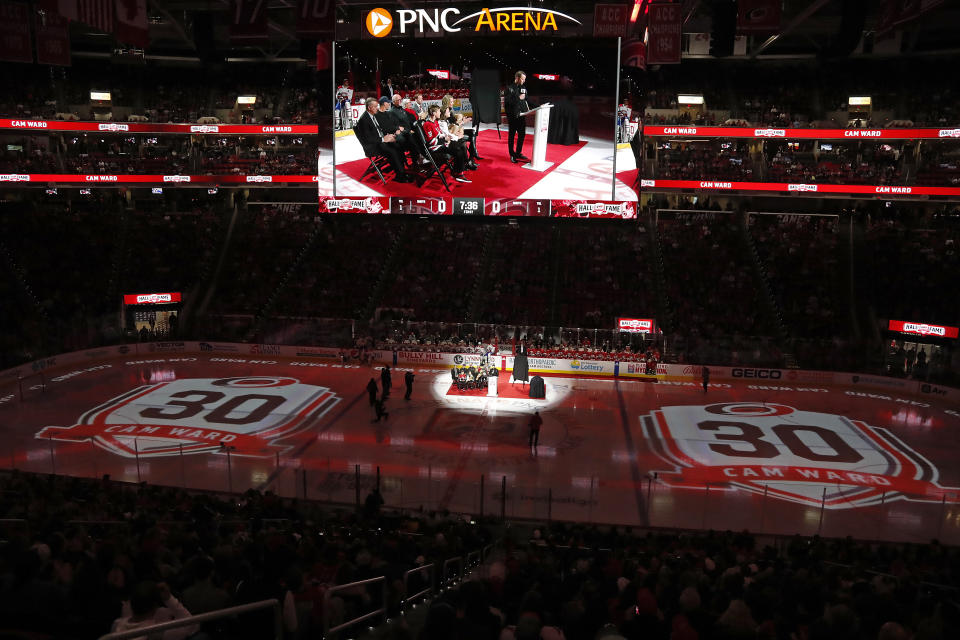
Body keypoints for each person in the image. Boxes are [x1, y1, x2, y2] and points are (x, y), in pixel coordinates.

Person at [111, 581, 199, 640]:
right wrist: (169, 599)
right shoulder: (155, 632)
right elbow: (191, 625)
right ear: (155, 606)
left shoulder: (116, 625)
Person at [354, 97, 413, 182]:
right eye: (375, 106)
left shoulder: (372, 115)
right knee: (393, 150)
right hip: (372, 146)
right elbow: (368, 138)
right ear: (369, 108)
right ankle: (401, 175)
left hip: (379, 141)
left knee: (398, 145)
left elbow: (378, 131)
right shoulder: (364, 120)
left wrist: (388, 136)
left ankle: (402, 172)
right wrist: (383, 139)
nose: (377, 108)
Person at [423, 104, 471, 183]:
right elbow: (431, 141)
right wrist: (445, 139)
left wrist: (447, 136)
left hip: (441, 144)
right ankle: (459, 174)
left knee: (460, 145)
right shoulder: (427, 124)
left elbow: (439, 134)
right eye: (438, 111)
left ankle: (458, 170)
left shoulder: (435, 122)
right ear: (434, 113)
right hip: (435, 148)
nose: (440, 113)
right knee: (458, 149)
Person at [504, 70, 532, 164]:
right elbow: (507, 103)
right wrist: (518, 98)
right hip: (512, 116)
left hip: (521, 116)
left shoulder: (523, 88)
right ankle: (512, 154)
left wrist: (539, 106)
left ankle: (518, 153)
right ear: (517, 78)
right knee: (511, 135)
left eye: (525, 79)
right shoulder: (509, 88)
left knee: (522, 135)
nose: (524, 81)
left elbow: (527, 100)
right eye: (523, 79)